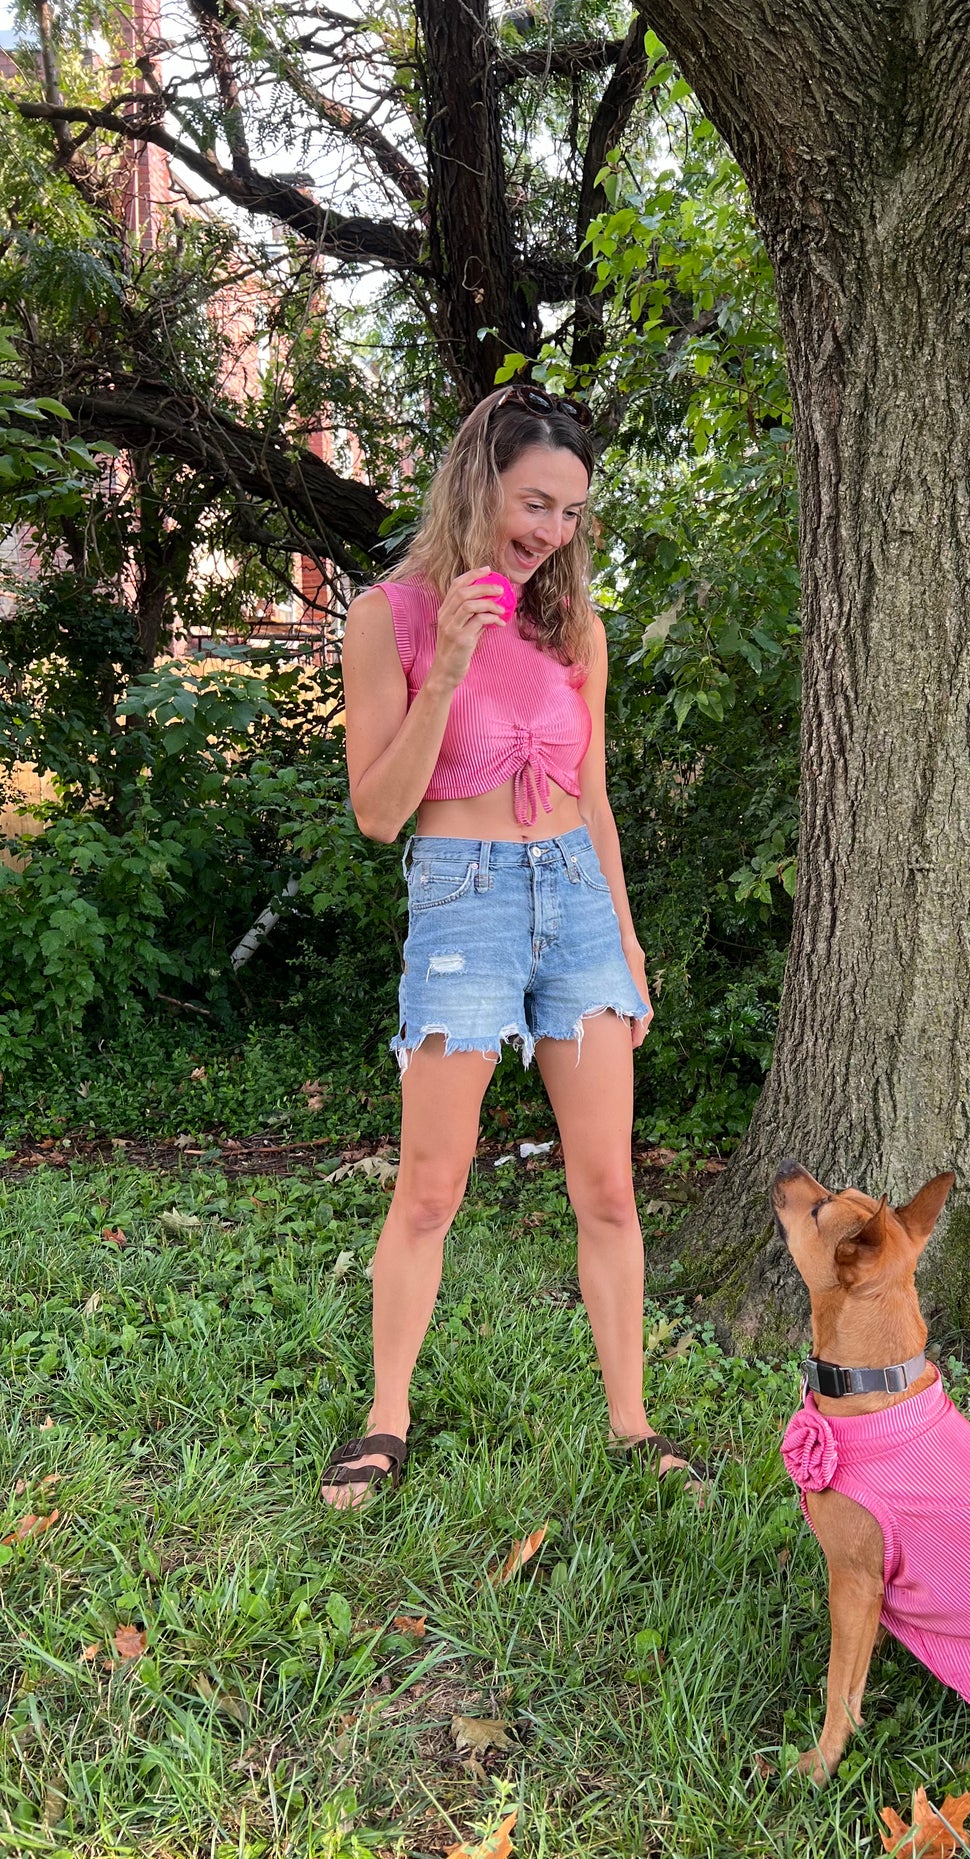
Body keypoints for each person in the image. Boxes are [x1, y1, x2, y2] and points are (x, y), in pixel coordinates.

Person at [321, 383, 706, 1507]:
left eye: (571, 514)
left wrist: (626, 944)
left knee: (607, 1188)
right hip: (464, 900)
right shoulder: (385, 616)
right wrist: (441, 667)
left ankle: (631, 1425)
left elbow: (593, 796)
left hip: (576, 903)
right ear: (476, 478)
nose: (549, 533)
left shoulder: (570, 625)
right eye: (534, 502)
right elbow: (379, 811)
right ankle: (385, 1418)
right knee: (431, 1186)